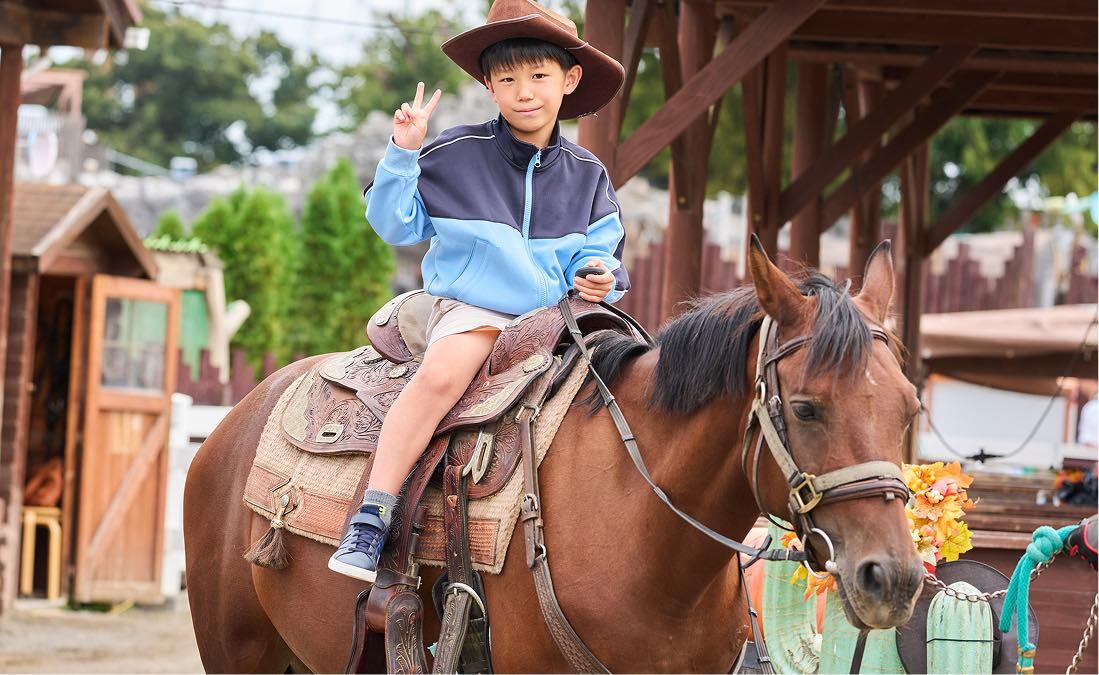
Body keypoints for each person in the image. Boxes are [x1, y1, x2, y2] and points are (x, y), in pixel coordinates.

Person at [328, 0, 630, 582]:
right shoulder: (452, 153)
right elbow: (393, 224)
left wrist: (599, 276)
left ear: (569, 81)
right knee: (444, 375)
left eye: (540, 76)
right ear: (488, 85)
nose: (525, 91)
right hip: (474, 309)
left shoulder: (589, 173)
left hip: (562, 317)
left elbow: (604, 252)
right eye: (508, 78)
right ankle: (372, 516)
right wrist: (404, 151)